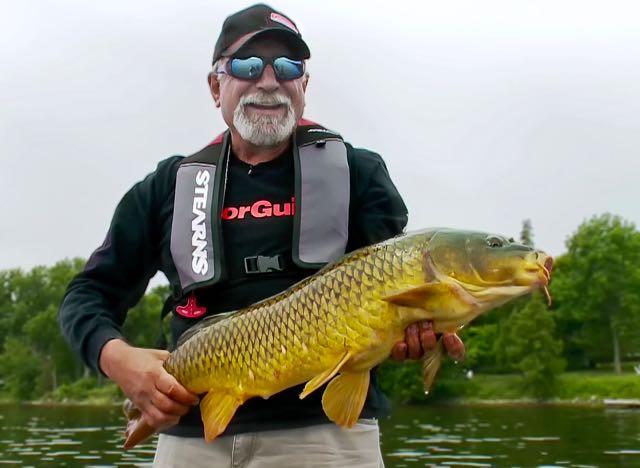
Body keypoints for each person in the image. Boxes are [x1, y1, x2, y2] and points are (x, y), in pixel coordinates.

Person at [58, 4, 465, 467]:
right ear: (216, 86)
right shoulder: (166, 185)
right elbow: (86, 296)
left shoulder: (359, 173)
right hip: (193, 436)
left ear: (304, 86)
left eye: (288, 67)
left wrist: (418, 333)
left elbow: (393, 296)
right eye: (247, 66)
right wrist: (119, 361)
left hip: (326, 435)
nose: (269, 81)